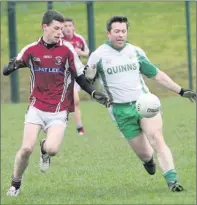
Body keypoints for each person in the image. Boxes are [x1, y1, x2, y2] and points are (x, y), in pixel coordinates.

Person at [3, 10, 109, 197]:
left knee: (52, 150)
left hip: (59, 110)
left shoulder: (67, 50)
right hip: (36, 107)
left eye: (62, 28)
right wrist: (11, 67)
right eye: (56, 28)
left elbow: (81, 77)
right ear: (45, 27)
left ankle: (44, 150)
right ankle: (15, 184)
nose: (61, 32)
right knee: (26, 148)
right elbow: (9, 68)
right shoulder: (31, 49)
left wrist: (94, 93)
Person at [84, 16, 196, 192]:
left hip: (144, 103)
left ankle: (172, 181)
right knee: (145, 153)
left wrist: (180, 90)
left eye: (124, 31)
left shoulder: (135, 52)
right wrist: (90, 82)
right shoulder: (98, 55)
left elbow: (156, 74)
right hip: (120, 111)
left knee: (156, 138)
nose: (121, 35)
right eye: (117, 31)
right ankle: (148, 160)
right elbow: (86, 80)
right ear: (108, 33)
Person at [62, 17, 90, 135]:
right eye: (65, 26)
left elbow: (87, 52)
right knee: (75, 100)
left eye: (70, 25)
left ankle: (79, 128)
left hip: (77, 73)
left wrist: (81, 53)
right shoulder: (60, 40)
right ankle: (79, 128)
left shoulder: (79, 39)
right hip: (64, 74)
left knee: (74, 101)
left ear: (74, 27)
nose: (68, 28)